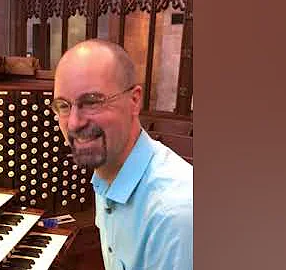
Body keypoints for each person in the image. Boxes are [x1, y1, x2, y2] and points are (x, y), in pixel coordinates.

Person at [51, 39, 193, 270]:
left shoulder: (174, 215)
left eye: (91, 102)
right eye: (64, 106)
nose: (75, 123)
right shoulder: (108, 173)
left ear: (134, 101)